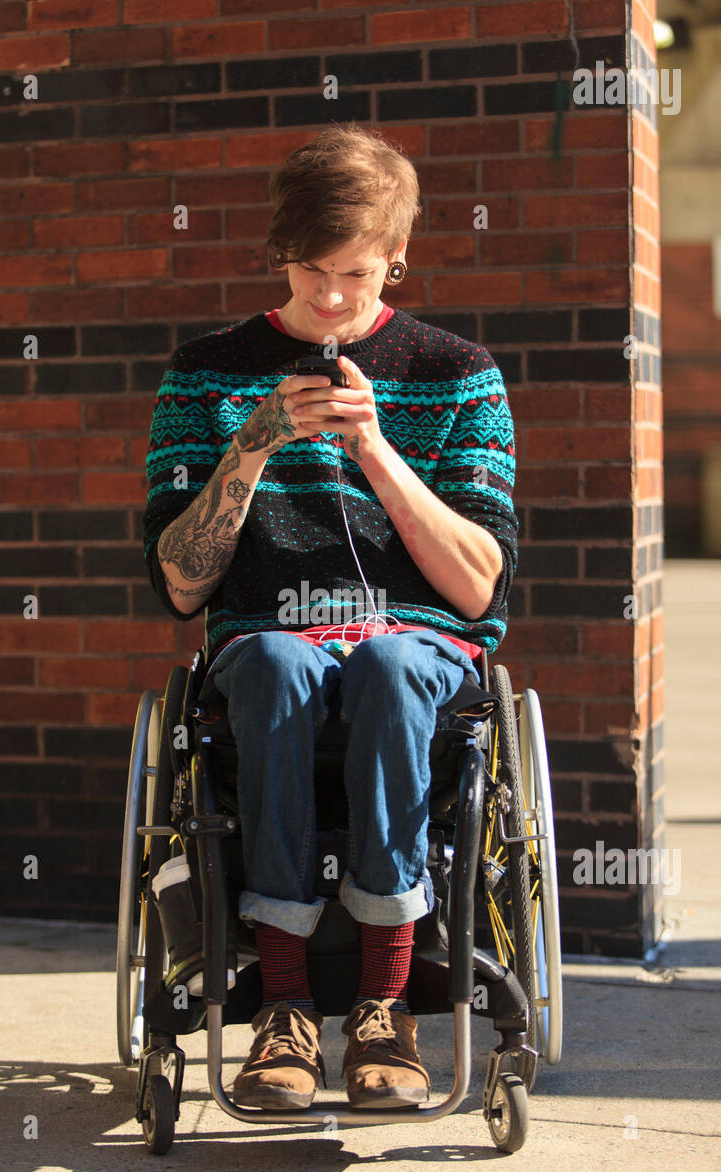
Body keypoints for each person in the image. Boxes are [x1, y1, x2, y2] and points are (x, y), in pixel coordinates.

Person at [142, 121, 518, 1111]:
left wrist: (378, 454)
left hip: (416, 650)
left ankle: (384, 1008)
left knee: (389, 667)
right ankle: (283, 1007)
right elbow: (181, 585)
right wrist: (252, 445)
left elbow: (480, 587)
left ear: (396, 261)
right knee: (271, 664)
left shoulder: (455, 373)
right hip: (266, 648)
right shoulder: (207, 372)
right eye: (312, 271)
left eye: (358, 273)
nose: (335, 298)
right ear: (281, 256)